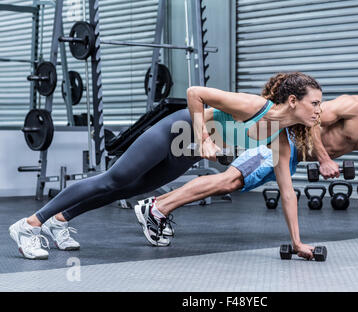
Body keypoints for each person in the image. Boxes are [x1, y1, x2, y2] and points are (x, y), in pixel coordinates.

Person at [9, 71, 322, 260]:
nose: (319, 111)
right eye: (315, 103)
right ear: (293, 100)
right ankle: (29, 226)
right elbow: (194, 93)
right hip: (176, 130)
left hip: (186, 153)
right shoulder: (255, 107)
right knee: (114, 177)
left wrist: (297, 243)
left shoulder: (279, 140)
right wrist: (203, 137)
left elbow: (288, 193)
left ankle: (60, 219)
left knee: (130, 188)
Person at [135, 67, 358, 259]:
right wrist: (325, 159)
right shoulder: (353, 106)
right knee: (229, 180)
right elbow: (310, 121)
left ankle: (156, 205)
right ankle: (158, 209)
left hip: (289, 157)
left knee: (229, 184)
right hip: (282, 141)